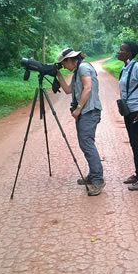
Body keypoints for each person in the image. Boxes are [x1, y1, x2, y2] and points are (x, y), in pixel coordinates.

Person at [55, 48, 104, 196]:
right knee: (85, 144)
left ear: (70, 59)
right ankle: (93, 174)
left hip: (89, 111)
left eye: (63, 63)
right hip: (86, 111)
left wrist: (78, 108)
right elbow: (68, 90)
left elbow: (87, 88)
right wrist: (57, 74)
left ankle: (98, 180)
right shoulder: (78, 70)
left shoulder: (83, 67)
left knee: (87, 144)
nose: (64, 66)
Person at [117, 41, 138, 191]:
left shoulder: (137, 67)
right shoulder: (125, 68)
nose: (118, 52)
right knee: (134, 143)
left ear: (129, 54)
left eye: (121, 50)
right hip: (129, 111)